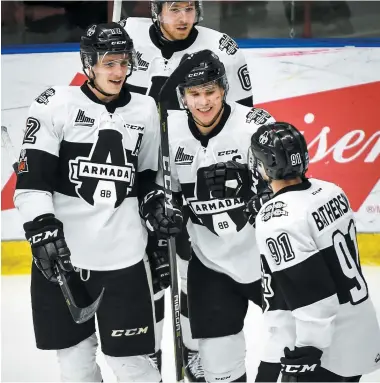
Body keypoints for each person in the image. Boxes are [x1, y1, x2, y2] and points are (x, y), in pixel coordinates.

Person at [13, 22, 182, 382]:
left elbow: (149, 177)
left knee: (135, 368)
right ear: (88, 64)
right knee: (76, 369)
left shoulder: (145, 109)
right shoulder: (56, 103)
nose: (119, 72)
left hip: (124, 261)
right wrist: (42, 228)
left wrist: (154, 205)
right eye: (109, 63)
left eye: (124, 62)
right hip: (65, 262)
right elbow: (31, 182)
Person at [118, 2, 254, 379]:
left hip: (186, 168)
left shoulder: (222, 48)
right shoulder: (126, 37)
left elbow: (238, 122)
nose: (183, 18)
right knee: (150, 277)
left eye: (190, 8)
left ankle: (192, 350)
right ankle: (150, 355)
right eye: (174, 8)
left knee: (189, 269)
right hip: (137, 173)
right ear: (157, 9)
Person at [160, 50, 275, 382]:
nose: (203, 102)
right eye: (194, 94)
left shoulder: (254, 124)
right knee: (219, 370)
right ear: (183, 97)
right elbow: (166, 193)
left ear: (224, 90)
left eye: (210, 91)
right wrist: (166, 213)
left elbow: (285, 185)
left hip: (265, 261)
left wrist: (255, 191)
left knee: (297, 345)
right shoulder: (171, 132)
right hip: (211, 266)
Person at [248, 122, 380, 382]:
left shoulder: (276, 219)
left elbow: (311, 292)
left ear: (264, 166)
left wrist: (309, 347)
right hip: (360, 330)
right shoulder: (332, 190)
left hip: (324, 349)